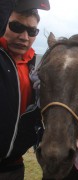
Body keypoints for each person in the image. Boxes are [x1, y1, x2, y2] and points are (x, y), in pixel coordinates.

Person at [0, 1, 50, 179]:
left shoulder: (36, 69)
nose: (24, 36)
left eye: (32, 31)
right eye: (16, 26)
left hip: (14, 167)